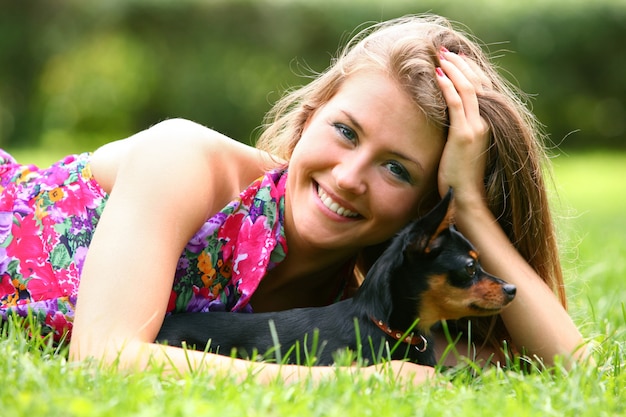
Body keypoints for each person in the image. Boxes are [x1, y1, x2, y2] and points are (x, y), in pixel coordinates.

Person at [0, 14, 585, 384]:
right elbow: (102, 355)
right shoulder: (184, 161)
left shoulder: (365, 316)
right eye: (346, 132)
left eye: (396, 170)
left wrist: (470, 210)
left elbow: (569, 370)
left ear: (420, 216)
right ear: (308, 119)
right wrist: (357, 383)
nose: (350, 176)